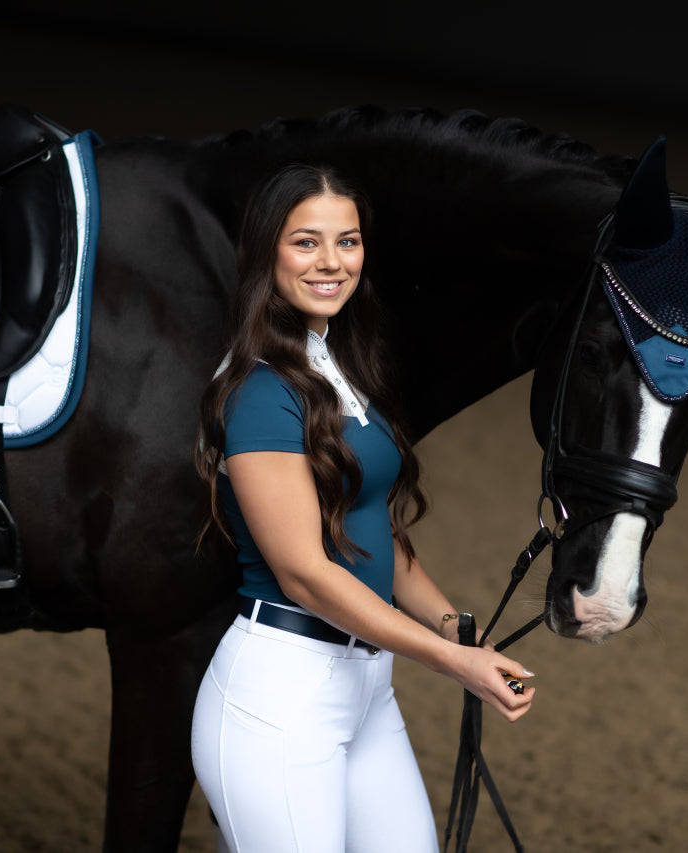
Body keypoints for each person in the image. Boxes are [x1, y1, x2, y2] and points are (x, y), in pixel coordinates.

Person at [191, 162, 537, 852]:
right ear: (268, 253)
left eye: (347, 242)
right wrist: (448, 660)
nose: (331, 262)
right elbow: (306, 574)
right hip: (281, 693)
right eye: (306, 242)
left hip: (366, 687)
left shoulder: (337, 367)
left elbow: (375, 523)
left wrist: (456, 629)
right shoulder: (262, 391)